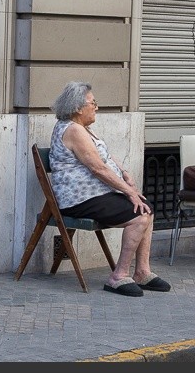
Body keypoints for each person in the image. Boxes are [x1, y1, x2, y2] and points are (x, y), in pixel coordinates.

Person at [49, 81, 171, 297]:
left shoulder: (83, 129)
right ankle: (118, 276)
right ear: (77, 107)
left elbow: (105, 157)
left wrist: (124, 173)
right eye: (93, 103)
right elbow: (98, 168)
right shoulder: (74, 130)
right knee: (140, 216)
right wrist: (129, 192)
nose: (96, 107)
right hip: (80, 200)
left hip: (95, 194)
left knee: (146, 208)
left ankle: (142, 272)